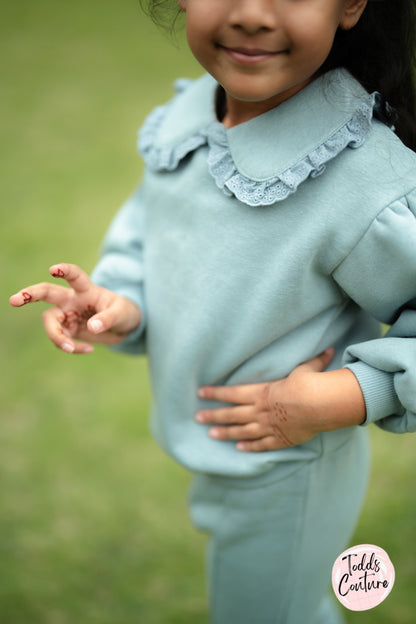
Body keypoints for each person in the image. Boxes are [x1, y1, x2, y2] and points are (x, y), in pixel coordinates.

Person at [9, 0, 416, 622]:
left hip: (287, 472)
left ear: (352, 4)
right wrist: (119, 304)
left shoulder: (364, 175)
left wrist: (337, 398)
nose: (252, 13)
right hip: (220, 451)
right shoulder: (191, 114)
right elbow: (146, 238)